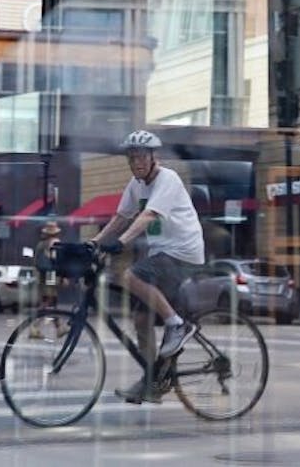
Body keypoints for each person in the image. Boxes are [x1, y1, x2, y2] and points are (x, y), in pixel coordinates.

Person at [90, 129, 205, 404]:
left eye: (142, 156)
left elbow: (148, 215)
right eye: (132, 157)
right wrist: (94, 242)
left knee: (130, 275)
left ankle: (177, 325)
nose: (136, 162)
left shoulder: (168, 179)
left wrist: (121, 242)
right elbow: (121, 216)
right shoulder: (136, 184)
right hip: (162, 253)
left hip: (182, 253)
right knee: (141, 320)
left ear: (155, 157)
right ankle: (154, 381)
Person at [29, 220, 63, 339]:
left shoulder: (40, 244)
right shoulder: (55, 242)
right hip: (51, 275)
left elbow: (35, 261)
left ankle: (59, 327)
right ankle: (34, 327)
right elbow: (55, 260)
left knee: (52, 302)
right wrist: (62, 275)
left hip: (42, 275)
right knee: (49, 301)